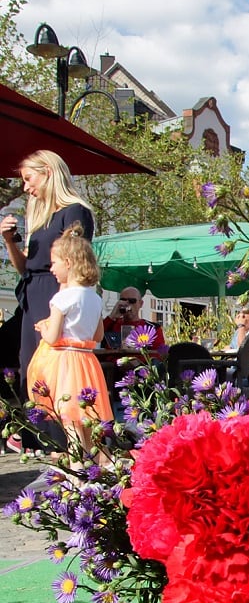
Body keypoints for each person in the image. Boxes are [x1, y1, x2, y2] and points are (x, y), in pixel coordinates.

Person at [1, 151, 95, 454]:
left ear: (49, 173)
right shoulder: (40, 220)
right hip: (32, 293)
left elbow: (75, 262)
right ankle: (38, 439)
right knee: (31, 368)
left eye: (29, 179)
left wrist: (65, 304)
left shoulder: (75, 211)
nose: (27, 187)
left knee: (55, 370)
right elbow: (26, 267)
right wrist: (9, 241)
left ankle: (64, 441)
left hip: (55, 294)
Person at [26, 223, 113, 448]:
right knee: (85, 416)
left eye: (54, 263)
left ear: (68, 263)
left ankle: (76, 468)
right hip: (86, 361)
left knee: (70, 417)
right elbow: (98, 334)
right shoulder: (94, 298)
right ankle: (91, 459)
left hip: (64, 363)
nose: (51, 268)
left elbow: (53, 337)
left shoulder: (61, 299)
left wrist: (43, 328)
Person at [102, 286, 165, 350]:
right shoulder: (111, 324)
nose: (127, 304)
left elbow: (159, 355)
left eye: (132, 301)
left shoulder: (152, 328)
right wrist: (112, 316)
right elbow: (96, 337)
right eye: (123, 300)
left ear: (140, 303)